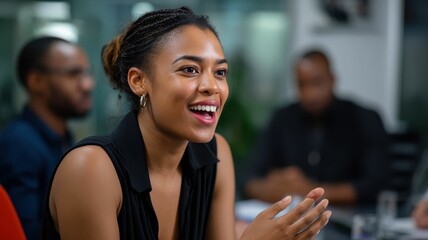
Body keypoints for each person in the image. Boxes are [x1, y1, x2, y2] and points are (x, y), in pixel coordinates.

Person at [40, 7, 331, 240]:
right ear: (139, 81)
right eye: (189, 69)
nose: (212, 86)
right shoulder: (90, 170)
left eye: (220, 72)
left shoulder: (217, 155)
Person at [243, 49, 389, 205]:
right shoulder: (282, 118)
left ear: (332, 80)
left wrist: (310, 191)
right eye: (302, 85)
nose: (309, 94)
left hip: (348, 219)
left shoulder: (364, 119)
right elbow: (248, 179)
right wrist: (275, 184)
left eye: (317, 83)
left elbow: (375, 185)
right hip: (291, 219)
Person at [0, 36, 94, 240]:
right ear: (36, 81)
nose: (87, 84)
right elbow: (23, 233)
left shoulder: (62, 139)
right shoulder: (19, 144)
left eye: (87, 73)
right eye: (73, 74)